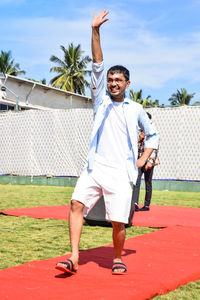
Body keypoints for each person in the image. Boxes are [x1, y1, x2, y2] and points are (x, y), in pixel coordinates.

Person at [55, 10, 159, 275]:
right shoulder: (99, 102)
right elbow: (98, 64)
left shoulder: (136, 108)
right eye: (110, 80)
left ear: (127, 83)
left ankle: (116, 258)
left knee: (117, 223)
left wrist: (141, 160)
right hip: (95, 167)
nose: (113, 83)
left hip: (120, 172)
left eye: (118, 80)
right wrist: (95, 30)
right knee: (76, 205)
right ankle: (74, 257)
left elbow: (153, 136)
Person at [133, 112, 159, 211]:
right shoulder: (138, 132)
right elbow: (134, 146)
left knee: (148, 182)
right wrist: (139, 138)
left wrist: (151, 161)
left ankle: (147, 205)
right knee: (136, 181)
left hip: (148, 160)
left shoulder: (152, 131)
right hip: (139, 159)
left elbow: (155, 147)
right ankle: (135, 203)